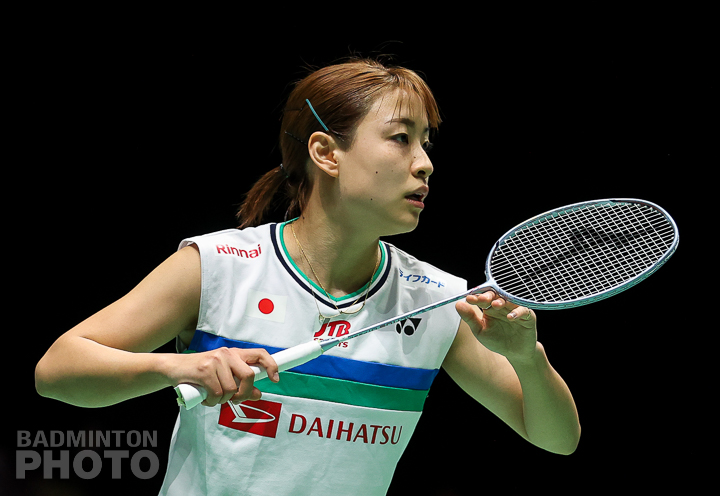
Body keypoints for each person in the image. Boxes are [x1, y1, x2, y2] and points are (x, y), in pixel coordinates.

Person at [35, 57, 581, 495]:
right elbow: (57, 371)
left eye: (426, 143)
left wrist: (527, 359)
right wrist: (181, 366)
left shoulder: (437, 300)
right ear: (326, 153)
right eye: (400, 138)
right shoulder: (220, 266)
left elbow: (556, 438)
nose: (424, 163)